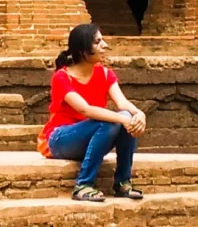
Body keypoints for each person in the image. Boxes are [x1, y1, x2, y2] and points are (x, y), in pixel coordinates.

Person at [41, 22, 146, 204]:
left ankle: (123, 182)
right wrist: (122, 119)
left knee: (126, 117)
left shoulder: (106, 74)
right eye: (98, 42)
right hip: (60, 139)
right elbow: (85, 109)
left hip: (92, 134)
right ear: (83, 50)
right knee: (113, 120)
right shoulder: (62, 77)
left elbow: (122, 103)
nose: (105, 45)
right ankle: (83, 184)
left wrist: (139, 114)